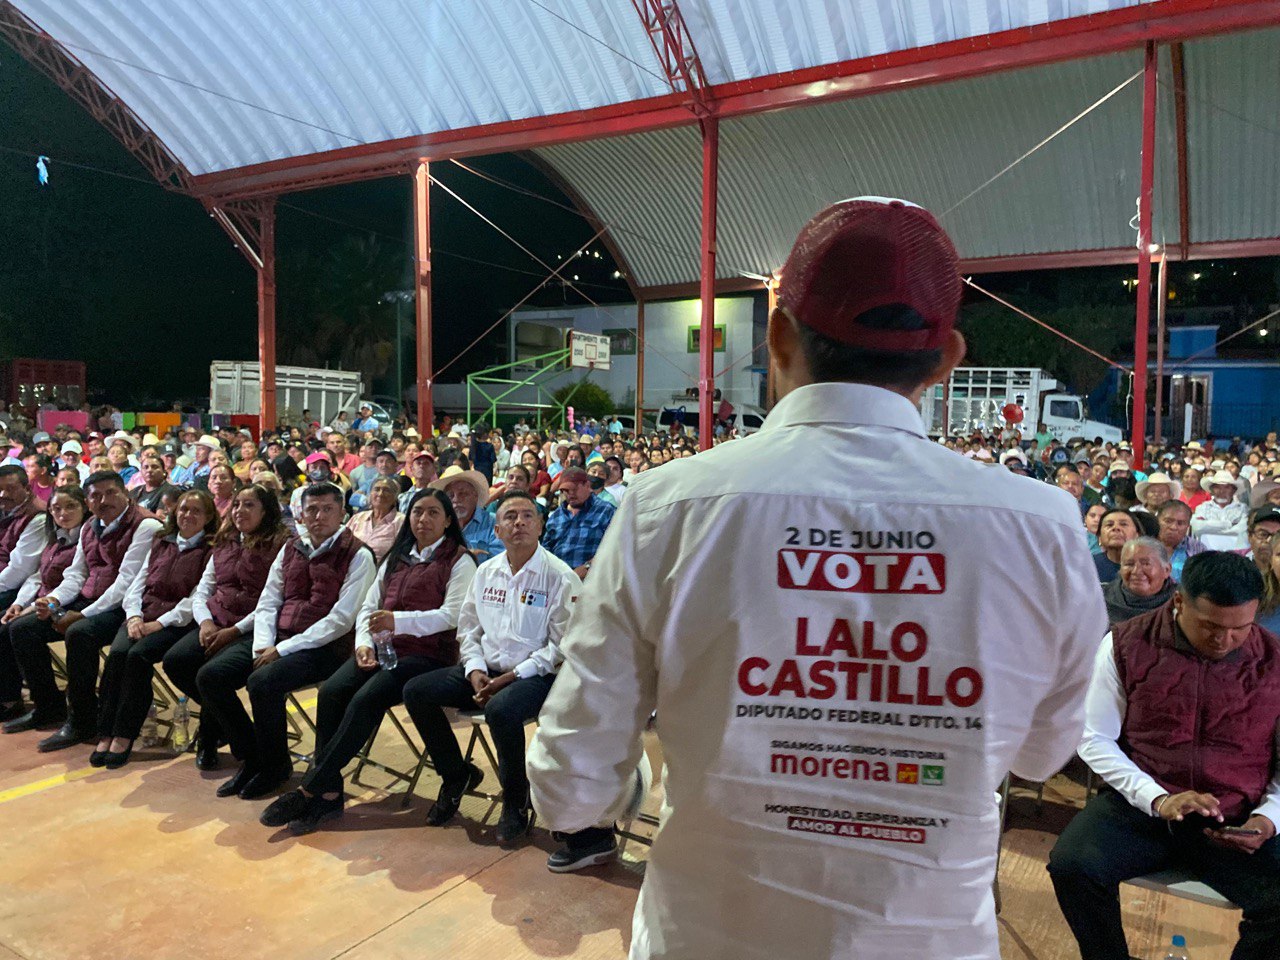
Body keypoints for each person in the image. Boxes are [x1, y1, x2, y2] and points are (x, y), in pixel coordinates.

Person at [526, 198, 1106, 949]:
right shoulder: (1041, 525)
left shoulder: (667, 505)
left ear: (777, 335)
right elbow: (1041, 753)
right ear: (947, 357)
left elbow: (570, 786)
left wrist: (642, 783)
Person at [1049, 552, 1280, 960]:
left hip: (1238, 815)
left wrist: (1270, 817)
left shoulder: (1275, 660)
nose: (1224, 640)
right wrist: (1156, 797)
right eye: (1210, 626)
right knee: (1073, 866)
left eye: (1240, 629)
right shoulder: (1126, 643)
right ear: (1178, 602)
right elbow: (1093, 738)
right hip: (1144, 806)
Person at [259, 489, 477, 834]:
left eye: (434, 513)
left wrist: (398, 622)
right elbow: (368, 606)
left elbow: (451, 616)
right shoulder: (397, 556)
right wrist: (363, 642)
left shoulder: (459, 560)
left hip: (426, 655)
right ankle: (329, 793)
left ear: (448, 521)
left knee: (365, 699)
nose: (424, 520)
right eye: (418, 512)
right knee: (332, 692)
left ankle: (310, 787)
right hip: (381, 647)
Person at [403, 489, 580, 844]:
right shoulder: (486, 572)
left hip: (536, 675)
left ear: (541, 526)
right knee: (416, 691)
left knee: (502, 711)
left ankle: (516, 801)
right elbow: (469, 628)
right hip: (485, 670)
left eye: (528, 516)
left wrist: (514, 676)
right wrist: (473, 668)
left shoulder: (559, 576)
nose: (519, 523)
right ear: (496, 530)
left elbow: (561, 647)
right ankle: (456, 775)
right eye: (510, 517)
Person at [196, 483, 375, 800]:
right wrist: (262, 646)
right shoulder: (292, 547)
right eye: (311, 510)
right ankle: (254, 757)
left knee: (263, 681)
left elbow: (341, 620)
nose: (318, 516)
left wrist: (281, 650)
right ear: (301, 514)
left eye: (326, 509)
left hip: (325, 647)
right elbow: (268, 601)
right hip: (277, 637)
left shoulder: (358, 554)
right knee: (210, 676)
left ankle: (275, 767)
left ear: (342, 513)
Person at [8, 471, 163, 750]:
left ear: (125, 494)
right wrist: (53, 601)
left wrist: (83, 614)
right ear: (88, 502)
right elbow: (76, 574)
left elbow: (125, 582)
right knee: (22, 627)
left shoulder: (145, 526)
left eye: (110, 493)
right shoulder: (91, 525)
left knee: (79, 633)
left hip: (124, 606)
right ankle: (48, 705)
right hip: (90, 599)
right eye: (95, 495)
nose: (103, 500)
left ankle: (83, 719)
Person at [161, 484, 289, 771]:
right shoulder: (225, 539)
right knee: (176, 661)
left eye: (249, 505)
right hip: (216, 619)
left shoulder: (280, 544)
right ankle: (222, 725)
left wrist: (236, 630)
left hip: (254, 627)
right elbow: (204, 588)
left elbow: (274, 601)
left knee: (211, 675)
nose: (240, 511)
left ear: (265, 511)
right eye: (236, 505)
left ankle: (228, 743)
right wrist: (205, 621)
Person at [91, 490, 219, 768]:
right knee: (117, 655)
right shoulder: (163, 540)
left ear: (209, 517)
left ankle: (124, 733)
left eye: (196, 511)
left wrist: (158, 624)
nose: (187, 515)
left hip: (175, 621)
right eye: (184, 509)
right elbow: (139, 582)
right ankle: (105, 730)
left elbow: (197, 598)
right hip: (143, 614)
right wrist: (135, 616)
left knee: (137, 657)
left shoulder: (211, 549)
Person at [0, 486, 87, 726]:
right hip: (47, 599)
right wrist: (19, 603)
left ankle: (49, 704)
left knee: (21, 629)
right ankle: (13, 698)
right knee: (6, 623)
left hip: (74, 602)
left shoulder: (86, 538)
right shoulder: (56, 536)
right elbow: (38, 576)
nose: (63, 513)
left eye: (70, 506)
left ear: (84, 507)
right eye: (56, 508)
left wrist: (43, 604)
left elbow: (76, 580)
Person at [542, 467, 615, 578]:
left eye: (574, 489)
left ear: (587, 485)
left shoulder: (606, 511)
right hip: (557, 578)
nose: (570, 494)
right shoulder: (555, 517)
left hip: (594, 578)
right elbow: (545, 551)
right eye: (565, 490)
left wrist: (587, 567)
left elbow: (614, 548)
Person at [431, 467, 502, 562]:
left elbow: (500, 561)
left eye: (463, 494)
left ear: (475, 496)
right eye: (450, 495)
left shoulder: (494, 522)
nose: (456, 500)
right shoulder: (438, 524)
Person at [1102, 537, 1176, 626]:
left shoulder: (1180, 603)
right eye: (1129, 564)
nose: (1136, 571)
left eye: (1146, 564)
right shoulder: (1102, 599)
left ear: (1166, 570)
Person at [345, 477, 403, 563]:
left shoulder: (401, 521)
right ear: (370, 494)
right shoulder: (357, 518)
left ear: (395, 498)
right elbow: (343, 543)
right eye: (377, 489)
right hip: (350, 567)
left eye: (386, 490)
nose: (380, 494)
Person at [1192, 469, 1250, 549]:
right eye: (1217, 487)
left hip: (1235, 554)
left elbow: (1241, 531)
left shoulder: (1243, 509)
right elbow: (1197, 527)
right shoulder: (1202, 508)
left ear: (1233, 490)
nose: (1222, 491)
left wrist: (1209, 527)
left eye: (1227, 487)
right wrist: (1229, 524)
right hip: (1206, 553)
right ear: (1211, 490)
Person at [1155, 499, 1205, 581]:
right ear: (1157, 520)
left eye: (1180, 523)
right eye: (1168, 521)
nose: (1173, 527)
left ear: (1188, 526)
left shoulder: (1197, 548)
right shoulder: (1144, 544)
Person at [1094, 508, 1140, 583]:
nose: (1116, 528)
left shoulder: (1149, 565)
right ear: (1099, 537)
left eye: (1123, 524)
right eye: (1109, 525)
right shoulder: (1088, 565)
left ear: (1137, 535)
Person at [1245, 506, 1280, 576]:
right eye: (1263, 534)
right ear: (1249, 536)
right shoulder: (1238, 571)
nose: (1269, 540)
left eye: (1277, 535)